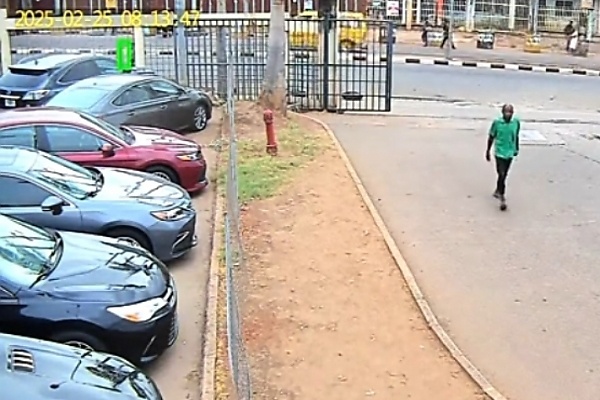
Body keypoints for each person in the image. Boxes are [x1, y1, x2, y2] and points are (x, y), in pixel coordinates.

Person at [485, 104, 520, 210]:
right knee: (501, 173)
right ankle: (502, 198)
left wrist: (516, 148)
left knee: (504, 174)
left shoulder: (516, 122)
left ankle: (498, 190)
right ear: (502, 112)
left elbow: (516, 136)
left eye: (510, 112)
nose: (508, 114)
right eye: (506, 112)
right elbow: (491, 136)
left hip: (509, 152)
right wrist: (487, 151)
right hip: (499, 152)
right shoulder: (497, 123)